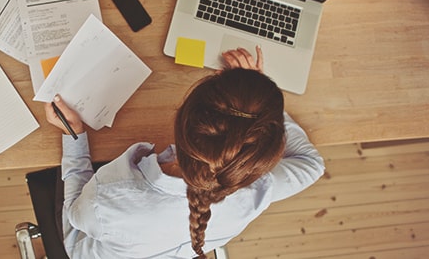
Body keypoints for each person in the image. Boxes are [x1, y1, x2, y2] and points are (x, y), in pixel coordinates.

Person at [44, 46, 325, 259]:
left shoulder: (108, 198)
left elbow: (73, 216)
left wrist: (75, 135)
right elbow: (311, 165)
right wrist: (258, 105)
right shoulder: (258, 190)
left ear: (182, 117)